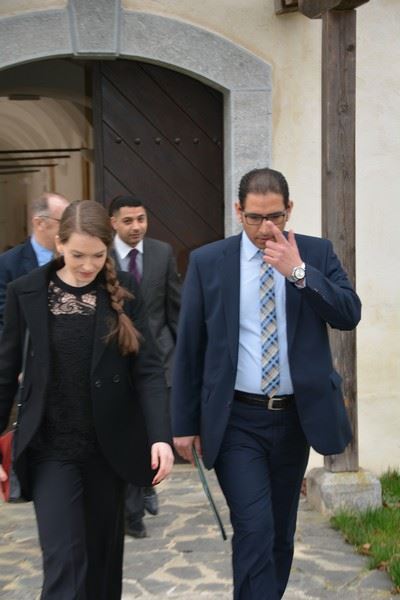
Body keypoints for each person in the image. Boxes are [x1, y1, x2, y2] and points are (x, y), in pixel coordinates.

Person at [172, 167, 361, 600]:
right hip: (236, 419)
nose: (264, 228)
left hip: (295, 418)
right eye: (255, 217)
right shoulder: (208, 261)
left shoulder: (315, 252)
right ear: (238, 211)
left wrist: (299, 273)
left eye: (274, 216)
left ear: (289, 209)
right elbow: (190, 347)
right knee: (254, 528)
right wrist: (183, 422)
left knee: (278, 533)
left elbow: (348, 314)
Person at [0, 200, 174, 599]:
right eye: (78, 255)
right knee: (64, 562)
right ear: (59, 244)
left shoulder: (124, 291)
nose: (87, 265)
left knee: (101, 568)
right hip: (50, 452)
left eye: (97, 255)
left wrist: (159, 436)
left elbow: (148, 370)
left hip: (108, 453)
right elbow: (4, 374)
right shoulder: (26, 292)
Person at [109, 194, 181, 538]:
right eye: (128, 221)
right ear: (113, 223)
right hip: (117, 362)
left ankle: (135, 510)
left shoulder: (162, 253)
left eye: (141, 219)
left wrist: (184, 358)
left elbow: (174, 308)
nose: (136, 226)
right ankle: (136, 500)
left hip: (159, 360)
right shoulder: (100, 256)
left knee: (147, 433)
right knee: (128, 434)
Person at [0, 192, 70, 334]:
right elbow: (4, 320)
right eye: (64, 222)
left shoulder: (75, 258)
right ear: (39, 223)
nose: (70, 228)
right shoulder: (8, 264)